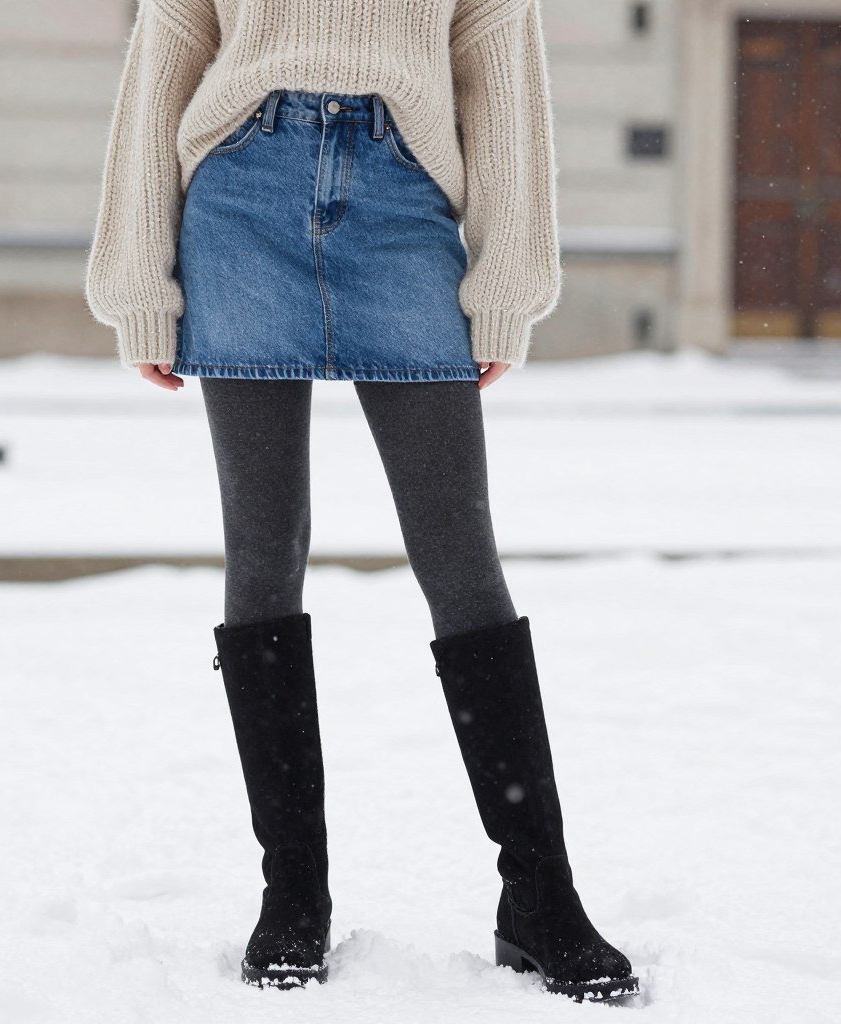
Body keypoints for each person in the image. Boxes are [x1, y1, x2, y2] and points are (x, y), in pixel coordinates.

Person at [85, 0, 638, 1003]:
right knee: (263, 552)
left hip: (402, 198)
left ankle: (541, 897)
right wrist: (137, 279)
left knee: (459, 556)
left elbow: (498, 61)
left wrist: (507, 281)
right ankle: (292, 896)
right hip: (240, 194)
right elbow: (169, 43)